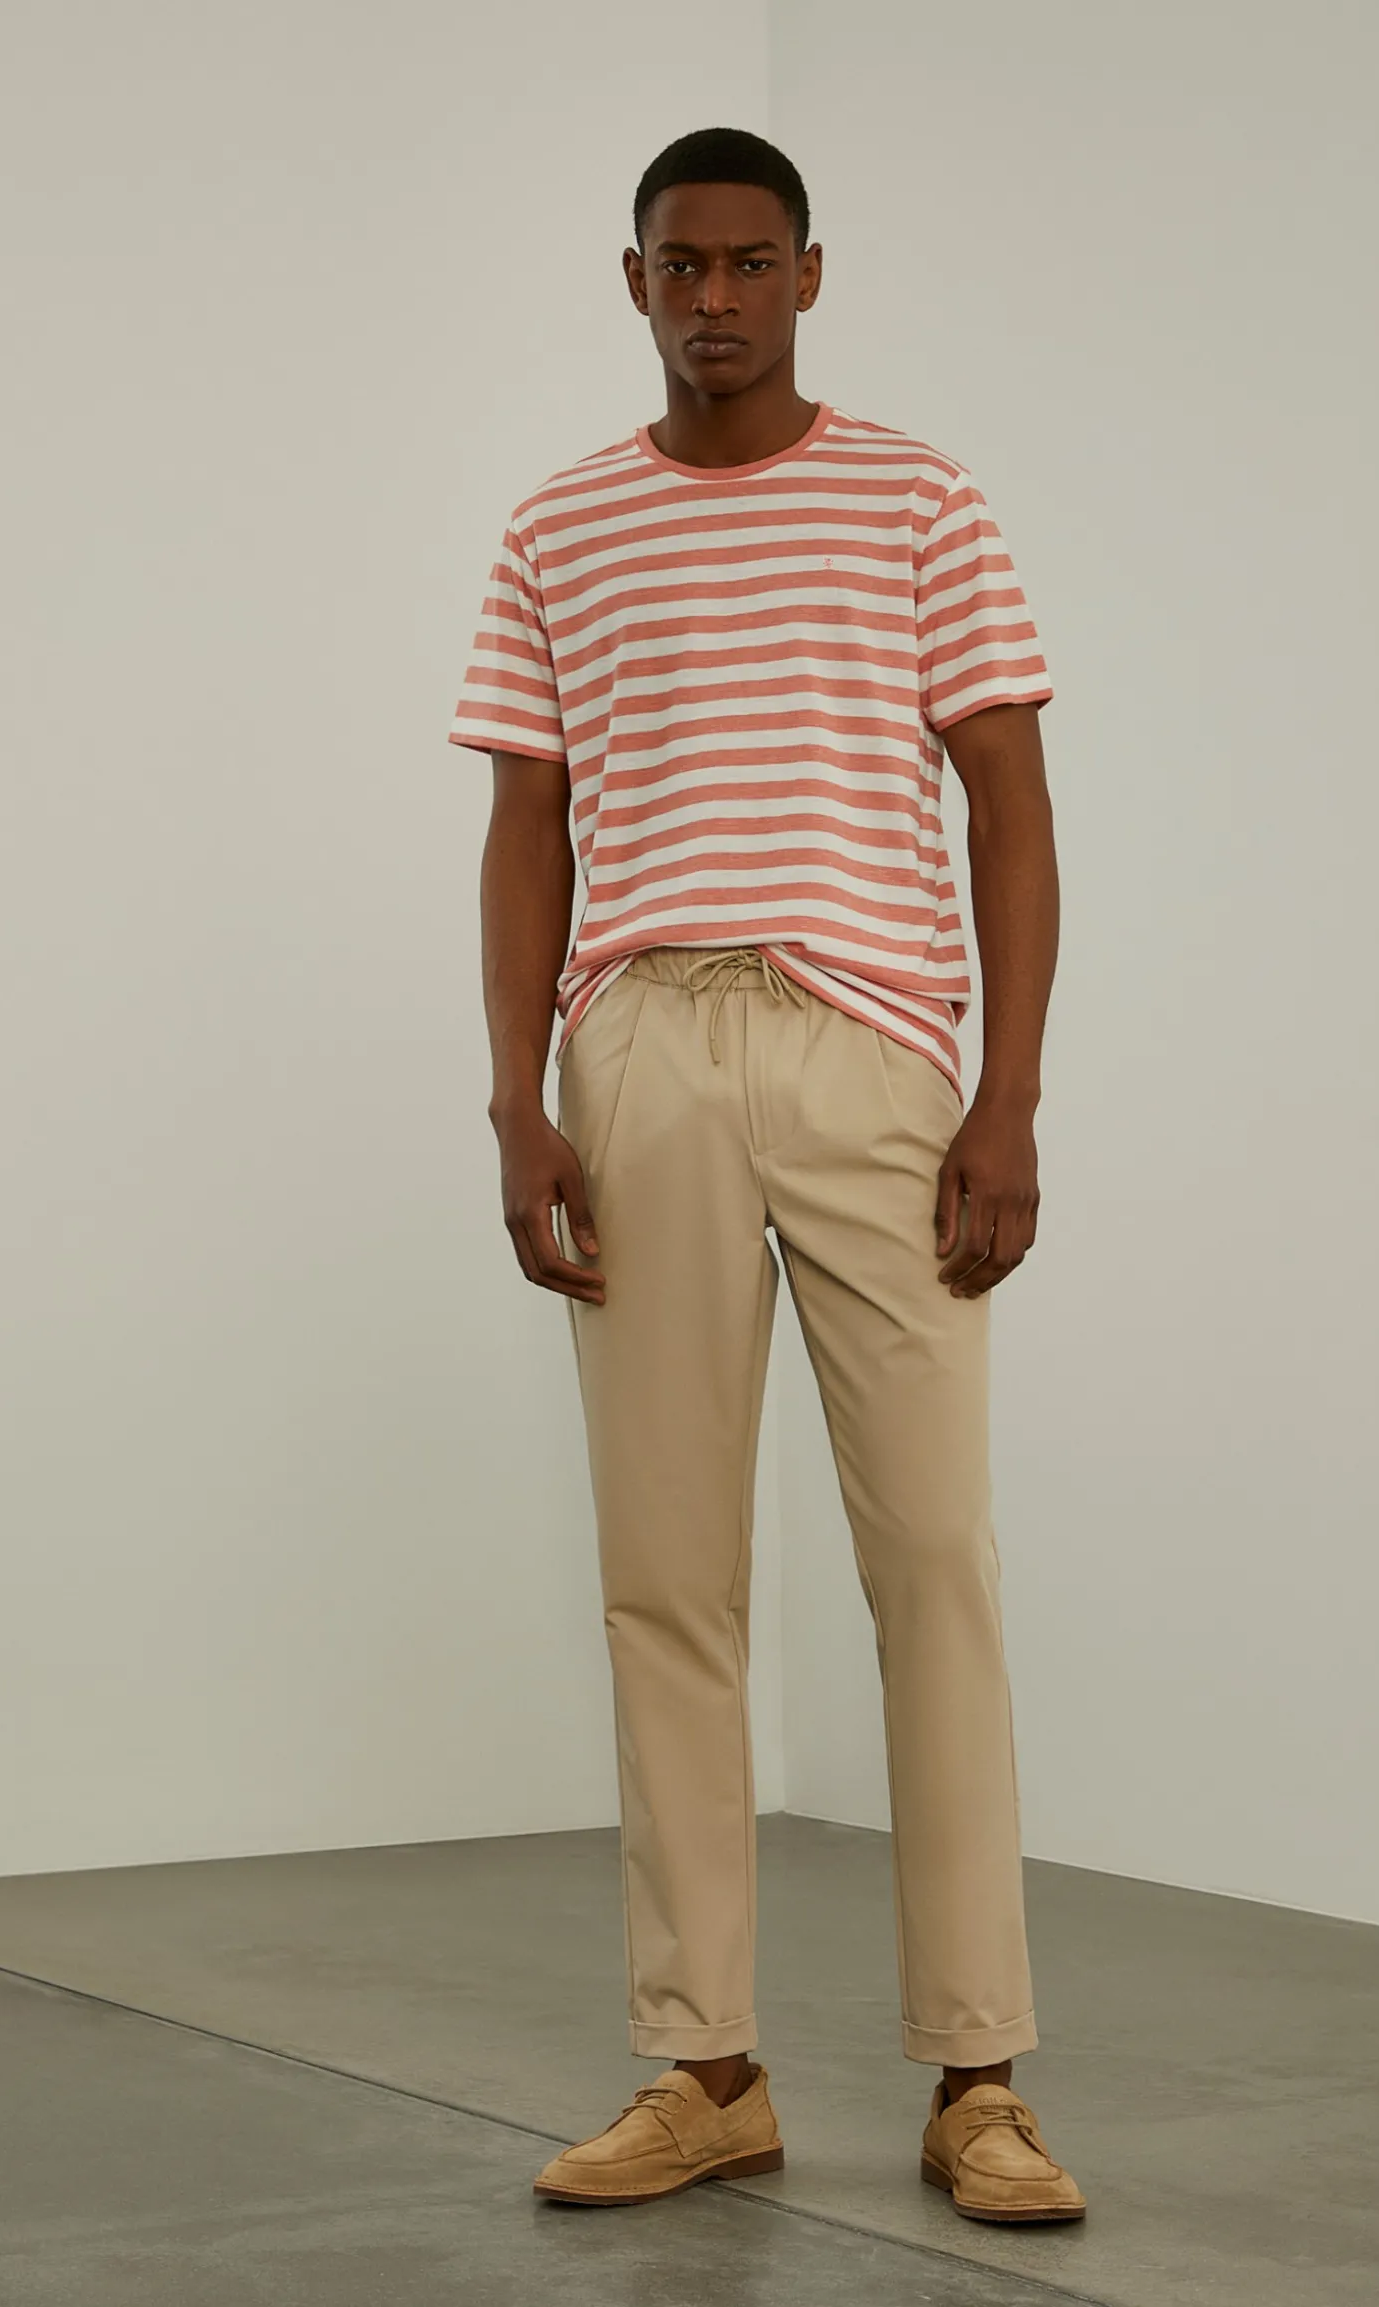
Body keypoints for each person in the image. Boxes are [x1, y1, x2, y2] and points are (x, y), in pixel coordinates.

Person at [448, 125, 1083, 2226]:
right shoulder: (561, 524)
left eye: (748, 262)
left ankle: (979, 2078)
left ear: (810, 275)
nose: (712, 296)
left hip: (870, 1050)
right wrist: (519, 1097)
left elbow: (1010, 801)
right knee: (666, 1573)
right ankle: (703, 2063)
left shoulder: (918, 499)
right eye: (678, 264)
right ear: (630, 280)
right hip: (638, 1047)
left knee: (936, 1560)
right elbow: (527, 824)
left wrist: (1008, 1095)